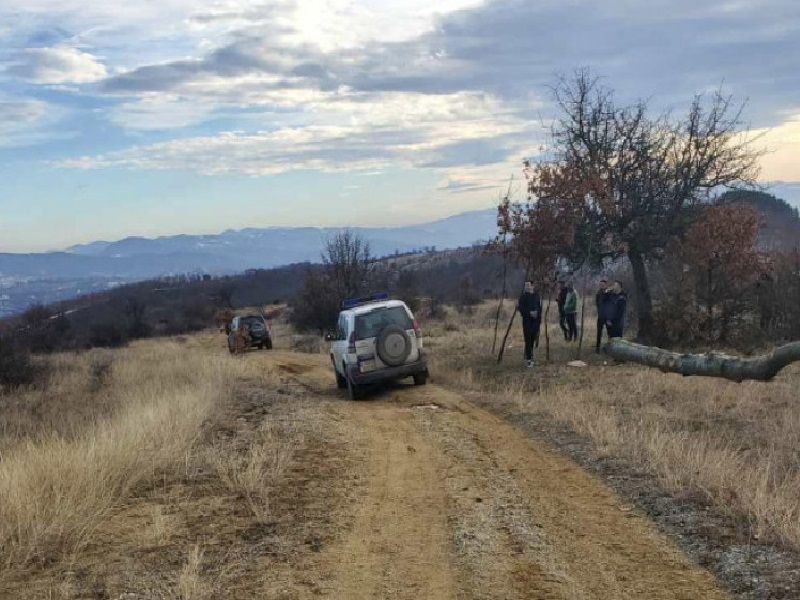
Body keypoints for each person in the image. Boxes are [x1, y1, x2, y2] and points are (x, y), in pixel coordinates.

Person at [517, 280, 542, 368]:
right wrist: (529, 313)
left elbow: (539, 307)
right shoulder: (523, 297)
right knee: (527, 339)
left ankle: (530, 354)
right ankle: (529, 360)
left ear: (532, 286)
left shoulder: (536, 296)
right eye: (525, 286)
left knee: (532, 339)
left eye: (528, 285)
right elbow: (520, 308)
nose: (527, 287)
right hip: (527, 321)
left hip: (535, 322)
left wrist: (537, 314)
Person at [595, 278, 609, 353]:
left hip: (607, 317)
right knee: (599, 333)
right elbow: (597, 304)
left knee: (609, 333)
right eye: (600, 285)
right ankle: (597, 348)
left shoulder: (609, 293)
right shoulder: (598, 293)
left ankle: (610, 348)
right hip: (600, 316)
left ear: (606, 285)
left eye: (603, 285)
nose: (601, 286)